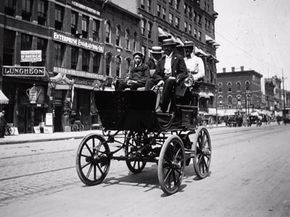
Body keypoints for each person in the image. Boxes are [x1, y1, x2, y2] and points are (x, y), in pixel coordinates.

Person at [152, 38, 188, 112]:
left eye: (167, 47)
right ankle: (146, 105)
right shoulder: (161, 60)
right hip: (163, 79)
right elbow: (156, 74)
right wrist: (160, 80)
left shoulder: (178, 58)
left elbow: (184, 72)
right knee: (149, 81)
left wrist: (176, 78)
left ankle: (162, 107)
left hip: (174, 80)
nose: (165, 49)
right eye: (164, 47)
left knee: (169, 81)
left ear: (172, 48)